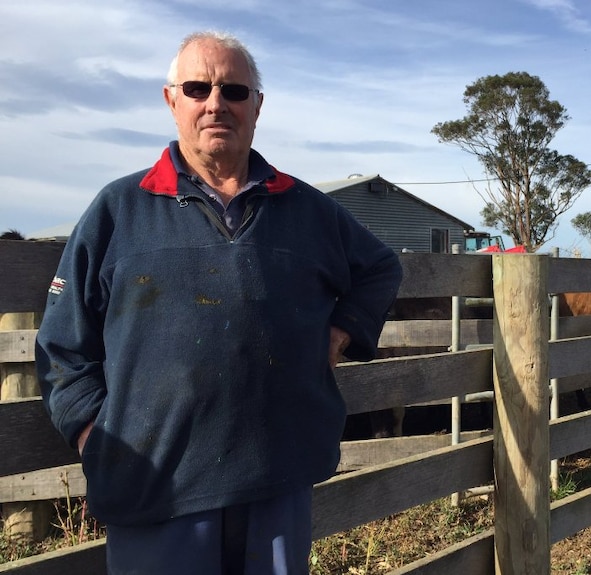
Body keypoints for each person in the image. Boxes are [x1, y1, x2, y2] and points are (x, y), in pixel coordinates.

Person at [35, 31, 402, 575]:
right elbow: (61, 345)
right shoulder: (118, 209)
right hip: (156, 484)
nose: (215, 103)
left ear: (257, 106)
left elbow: (380, 266)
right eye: (197, 87)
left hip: (278, 472)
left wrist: (343, 329)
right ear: (171, 100)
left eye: (233, 90)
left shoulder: (307, 209)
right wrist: (92, 432)